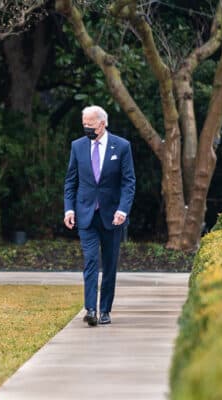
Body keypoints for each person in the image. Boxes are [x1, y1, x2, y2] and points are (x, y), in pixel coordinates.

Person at [64, 105, 136, 326]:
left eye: (90, 124)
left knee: (110, 264)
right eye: (84, 124)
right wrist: (69, 208)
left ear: (102, 124)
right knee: (91, 261)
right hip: (86, 214)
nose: (87, 128)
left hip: (112, 216)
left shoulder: (122, 146)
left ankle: (105, 309)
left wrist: (123, 210)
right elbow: (71, 181)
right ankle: (91, 310)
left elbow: (128, 182)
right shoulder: (77, 146)